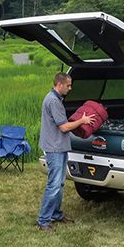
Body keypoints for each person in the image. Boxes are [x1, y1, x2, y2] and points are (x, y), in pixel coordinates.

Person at [37, 72, 95, 233]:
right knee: (54, 185)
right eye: (68, 85)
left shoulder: (55, 99)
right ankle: (43, 220)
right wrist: (82, 121)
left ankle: (56, 214)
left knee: (59, 183)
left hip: (59, 146)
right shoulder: (53, 101)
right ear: (59, 84)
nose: (70, 88)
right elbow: (64, 127)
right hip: (54, 148)